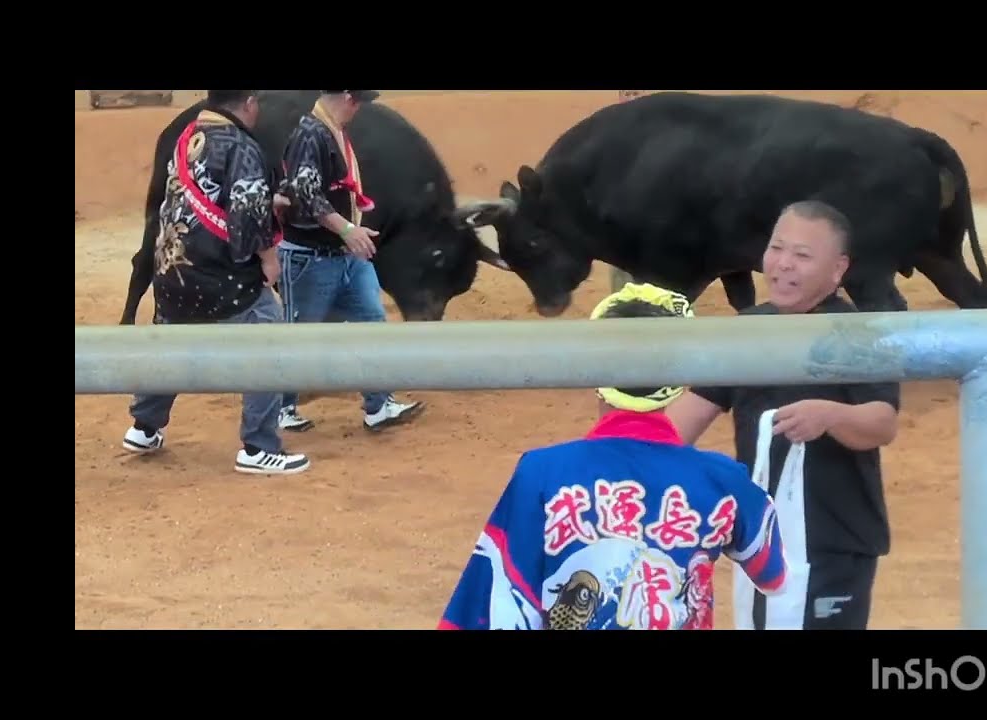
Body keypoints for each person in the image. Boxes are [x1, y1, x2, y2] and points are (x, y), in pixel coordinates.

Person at [436, 283, 788, 630]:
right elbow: (774, 576)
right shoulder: (721, 479)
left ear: (593, 373)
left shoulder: (541, 473)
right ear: (680, 381)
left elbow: (493, 603)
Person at [666, 199, 900, 630]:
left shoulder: (857, 334)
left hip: (835, 541)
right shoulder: (747, 330)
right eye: (777, 249)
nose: (783, 265)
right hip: (761, 542)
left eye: (803, 255)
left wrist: (830, 416)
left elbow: (882, 422)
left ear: (838, 269)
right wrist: (617, 453)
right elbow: (680, 424)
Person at [120, 90, 310, 476]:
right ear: (250, 103)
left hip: (172, 269)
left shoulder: (188, 138)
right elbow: (247, 218)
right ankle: (259, 446)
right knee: (268, 338)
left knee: (172, 344)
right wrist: (269, 258)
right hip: (221, 277)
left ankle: (144, 426)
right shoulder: (242, 145)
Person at [274, 89, 424, 433]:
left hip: (343, 256)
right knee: (296, 337)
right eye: (356, 100)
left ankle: (378, 404)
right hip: (310, 259)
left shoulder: (328, 132)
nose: (357, 108)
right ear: (343, 96)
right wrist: (347, 229)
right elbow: (306, 194)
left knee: (371, 320)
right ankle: (280, 408)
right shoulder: (311, 134)